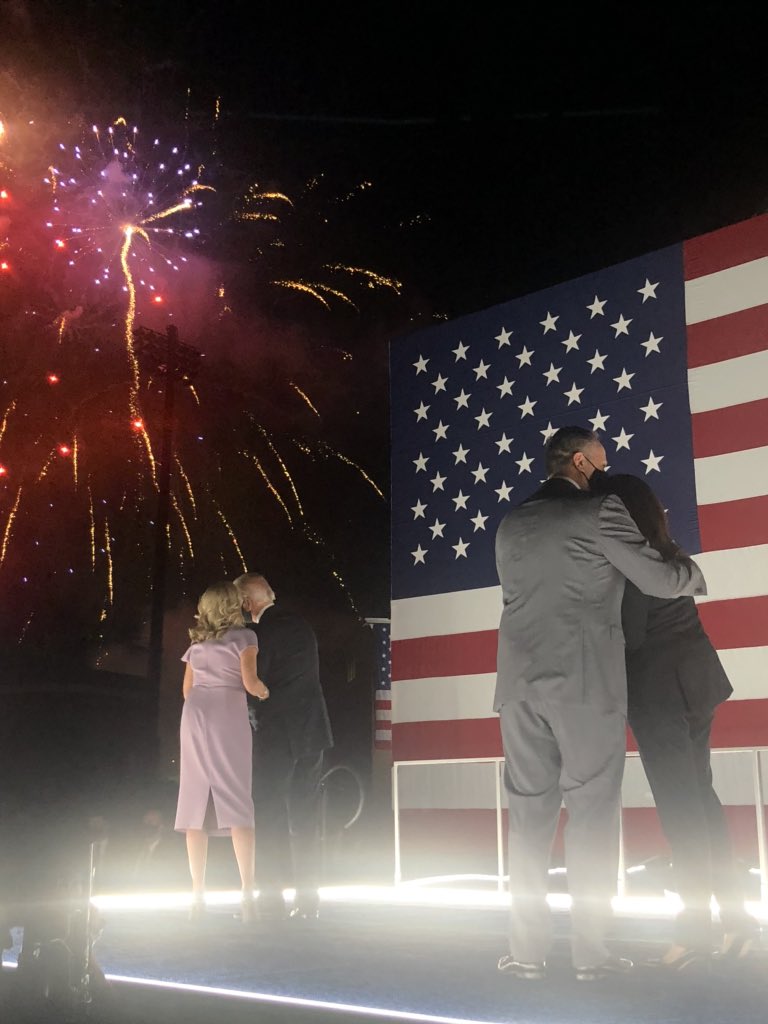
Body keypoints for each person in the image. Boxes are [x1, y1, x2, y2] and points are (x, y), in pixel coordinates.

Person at [494, 426, 707, 982]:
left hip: (518, 687)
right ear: (582, 462)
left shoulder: (511, 522)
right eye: (602, 461)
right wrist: (689, 568)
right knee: (590, 814)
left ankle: (526, 953)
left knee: (527, 819)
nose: (605, 470)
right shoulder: (598, 512)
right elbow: (659, 580)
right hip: (586, 685)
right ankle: (590, 955)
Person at [590, 473, 760, 969]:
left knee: (682, 810)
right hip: (696, 681)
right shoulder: (666, 548)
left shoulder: (629, 562)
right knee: (701, 801)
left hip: (660, 693)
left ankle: (695, 931)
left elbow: (632, 638)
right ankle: (737, 923)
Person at [234, 572, 334, 921]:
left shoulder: (258, 634)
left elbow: (254, 683)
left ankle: (272, 899)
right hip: (312, 730)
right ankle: (309, 901)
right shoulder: (303, 626)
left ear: (246, 604)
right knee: (306, 818)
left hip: (277, 734)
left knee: (271, 813)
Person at [174, 581, 269, 922]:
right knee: (236, 794)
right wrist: (266, 694)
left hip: (195, 715)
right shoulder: (246, 639)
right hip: (227, 713)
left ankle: (197, 896)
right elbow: (250, 681)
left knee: (195, 799)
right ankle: (247, 895)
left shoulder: (197, 643)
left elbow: (187, 689)